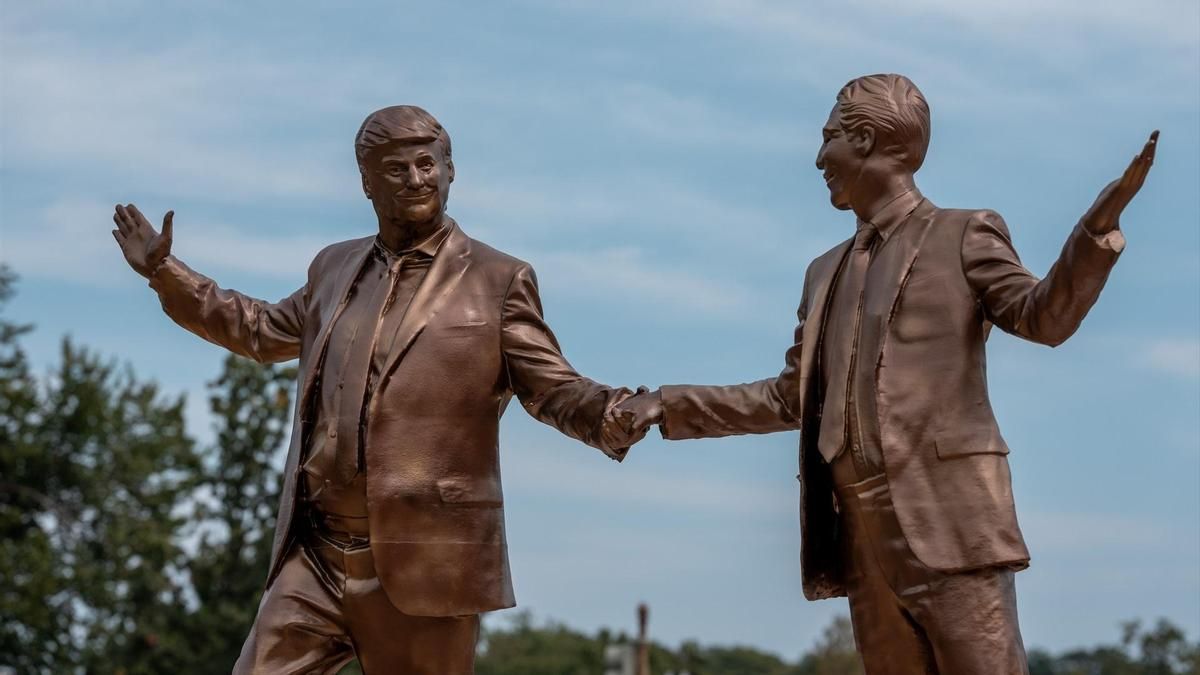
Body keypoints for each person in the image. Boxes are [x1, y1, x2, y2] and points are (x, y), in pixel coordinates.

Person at [611, 74, 1157, 674]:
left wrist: (1093, 236)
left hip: (950, 525)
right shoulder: (824, 273)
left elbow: (1043, 318)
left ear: (866, 140)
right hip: (861, 536)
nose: (820, 158)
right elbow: (791, 395)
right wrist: (668, 402)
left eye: (830, 140)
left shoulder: (963, 234)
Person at [111, 105, 645, 674]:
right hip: (315, 553)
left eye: (427, 164)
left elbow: (553, 389)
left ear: (450, 170)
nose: (416, 179)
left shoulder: (498, 280)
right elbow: (260, 329)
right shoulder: (333, 268)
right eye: (396, 169)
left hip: (424, 563)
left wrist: (608, 413)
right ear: (367, 182)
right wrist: (166, 273)